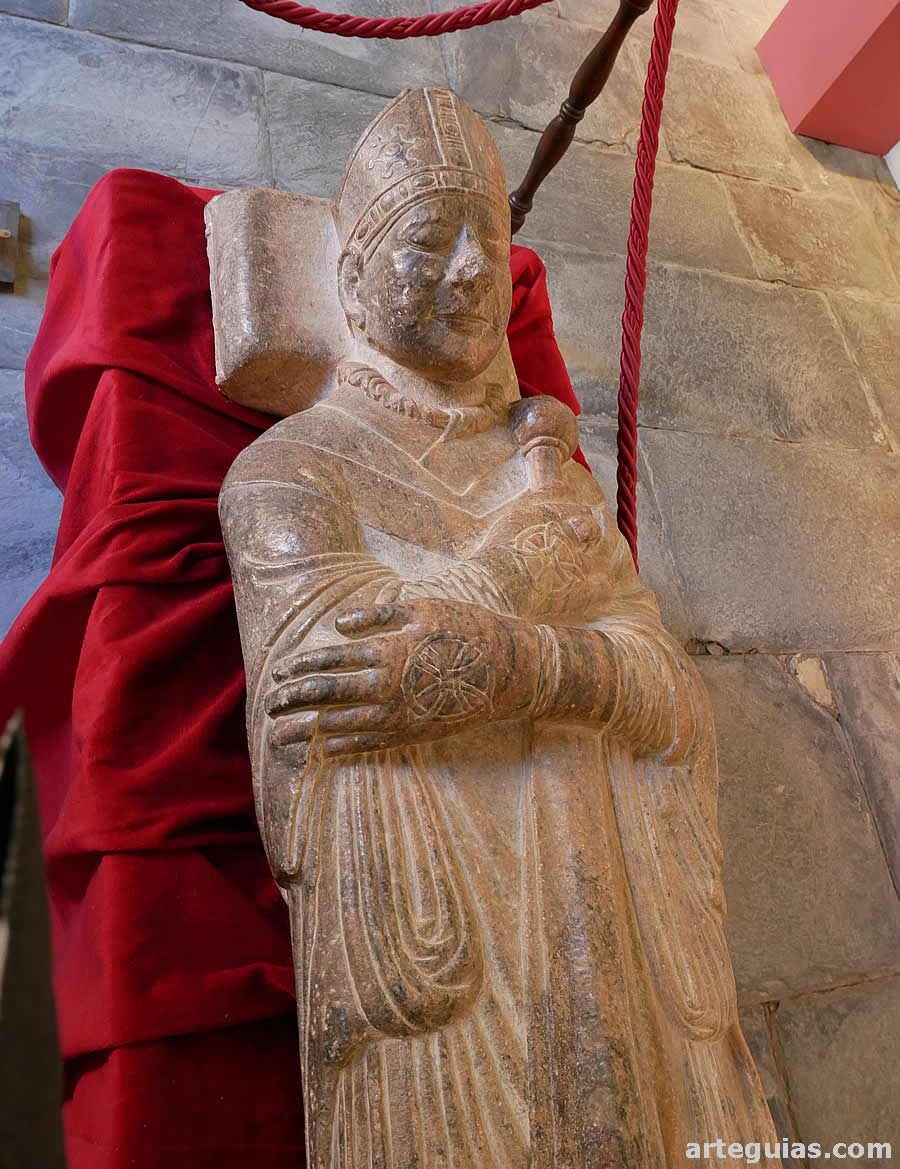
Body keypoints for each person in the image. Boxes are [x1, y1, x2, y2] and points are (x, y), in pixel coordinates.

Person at [219, 87, 780, 1169]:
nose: (475, 269)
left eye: (489, 237)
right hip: (457, 1007)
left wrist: (517, 657)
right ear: (349, 279)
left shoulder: (553, 481)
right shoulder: (289, 471)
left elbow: (670, 694)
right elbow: (331, 693)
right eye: (431, 240)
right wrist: (535, 580)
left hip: (611, 919)